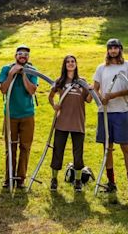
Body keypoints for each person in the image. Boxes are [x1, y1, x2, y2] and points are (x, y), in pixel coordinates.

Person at [93, 38, 128, 199]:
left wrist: (113, 95)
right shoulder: (101, 68)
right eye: (110, 48)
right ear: (107, 50)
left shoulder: (127, 66)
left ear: (120, 49)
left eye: (116, 48)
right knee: (107, 148)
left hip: (122, 111)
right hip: (104, 112)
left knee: (126, 147)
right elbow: (95, 88)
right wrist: (101, 98)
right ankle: (111, 182)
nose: (113, 50)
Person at [48, 55, 93, 192]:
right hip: (62, 123)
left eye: (72, 61)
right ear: (64, 65)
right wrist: (54, 105)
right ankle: (54, 179)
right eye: (68, 62)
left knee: (78, 153)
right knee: (57, 151)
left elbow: (89, 100)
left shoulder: (82, 82)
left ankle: (78, 181)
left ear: (76, 64)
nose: (70, 63)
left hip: (78, 123)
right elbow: (50, 97)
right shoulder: (59, 81)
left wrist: (93, 90)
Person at [0, 45, 39, 188]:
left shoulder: (32, 71)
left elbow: (32, 90)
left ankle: (21, 178)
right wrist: (11, 74)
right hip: (11, 115)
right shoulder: (6, 69)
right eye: (20, 54)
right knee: (10, 147)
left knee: (25, 146)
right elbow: (3, 89)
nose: (23, 56)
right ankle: (9, 177)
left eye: (26, 54)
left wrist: (23, 75)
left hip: (27, 114)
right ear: (15, 55)